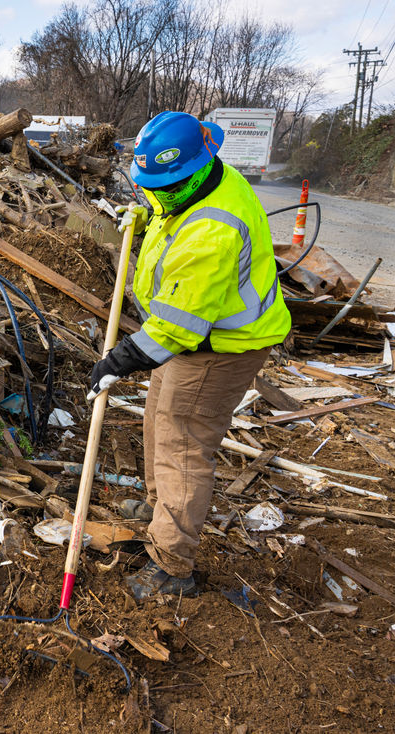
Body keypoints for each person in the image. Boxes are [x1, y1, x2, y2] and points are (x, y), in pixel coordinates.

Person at [88, 111, 290, 601]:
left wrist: (119, 361)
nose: (156, 196)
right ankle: (160, 509)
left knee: (183, 444)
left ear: (193, 173)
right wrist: (144, 215)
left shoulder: (213, 231)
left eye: (163, 191)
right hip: (197, 337)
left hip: (221, 346)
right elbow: (174, 219)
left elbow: (177, 326)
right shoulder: (200, 181)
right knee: (159, 419)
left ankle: (171, 564)